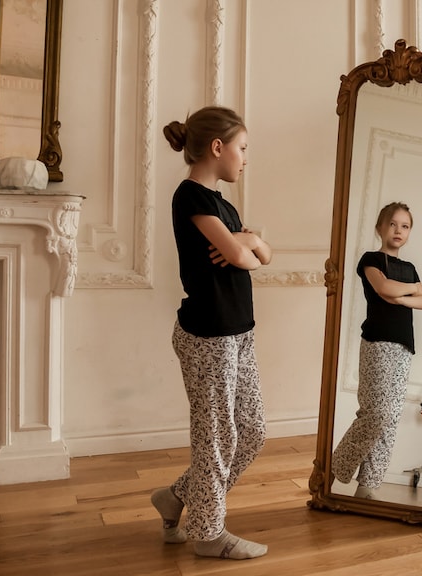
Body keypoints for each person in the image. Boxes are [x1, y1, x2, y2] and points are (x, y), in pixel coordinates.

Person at [150, 106, 272, 560]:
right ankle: (208, 534)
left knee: (252, 431)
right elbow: (243, 260)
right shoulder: (191, 197)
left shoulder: (224, 205)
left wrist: (251, 240)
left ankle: (177, 497)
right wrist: (246, 245)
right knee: (216, 437)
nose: (245, 158)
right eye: (242, 148)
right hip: (208, 337)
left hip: (239, 333)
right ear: (218, 148)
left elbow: (263, 254)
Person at [331, 202, 422, 499]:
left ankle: (368, 486)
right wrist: (407, 290)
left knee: (390, 419)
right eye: (393, 224)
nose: (398, 230)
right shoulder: (371, 259)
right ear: (380, 227)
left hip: (403, 347)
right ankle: (335, 466)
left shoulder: (409, 268)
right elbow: (384, 289)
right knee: (377, 413)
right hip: (377, 343)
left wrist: (401, 297)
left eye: (405, 226)